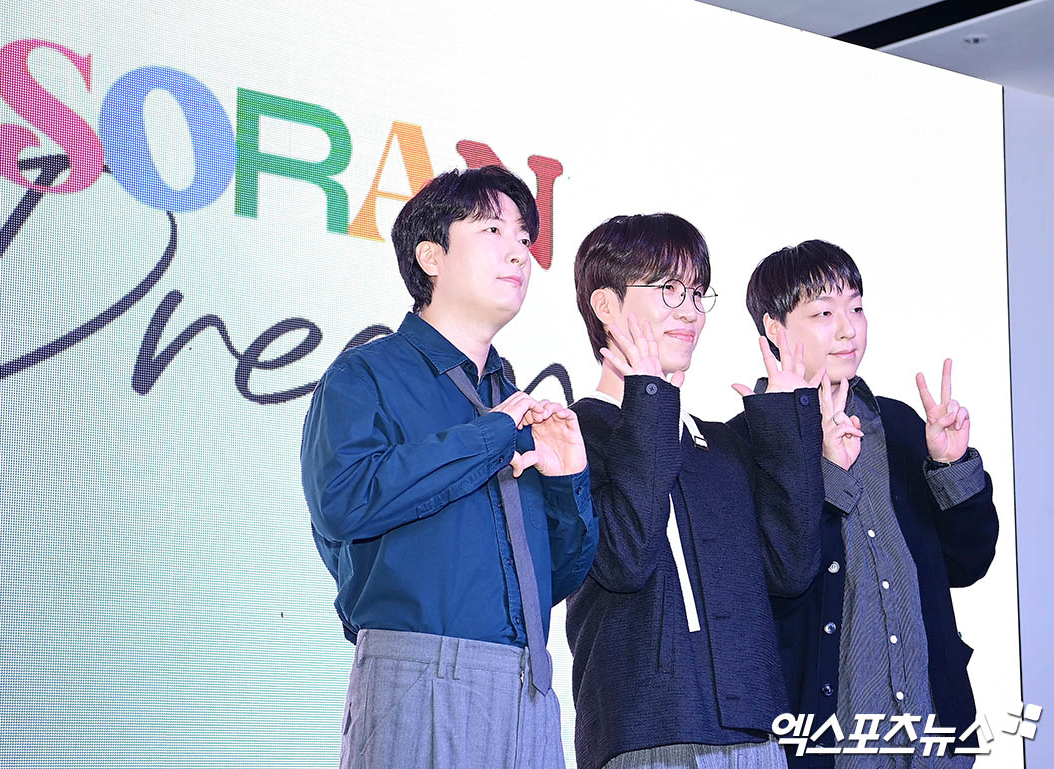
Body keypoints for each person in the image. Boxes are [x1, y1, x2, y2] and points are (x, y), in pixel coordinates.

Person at [299, 165, 598, 769]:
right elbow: (344, 501)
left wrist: (569, 484)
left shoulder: (513, 399)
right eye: (493, 230)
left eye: (524, 237)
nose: (519, 251)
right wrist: (490, 436)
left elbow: (554, 580)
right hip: (418, 674)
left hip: (530, 688)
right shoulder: (365, 374)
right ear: (430, 256)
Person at [565, 213, 824, 769]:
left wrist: (788, 423)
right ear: (605, 305)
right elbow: (626, 558)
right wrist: (649, 395)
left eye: (698, 292)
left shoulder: (720, 442)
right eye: (669, 289)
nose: (690, 310)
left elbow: (791, 569)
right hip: (649, 734)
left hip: (758, 732)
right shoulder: (571, 432)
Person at [730, 239, 999, 767]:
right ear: (774, 330)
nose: (848, 329)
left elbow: (968, 563)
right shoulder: (746, 444)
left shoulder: (899, 426)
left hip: (935, 740)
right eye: (824, 314)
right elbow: (777, 584)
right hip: (828, 747)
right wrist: (823, 471)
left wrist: (951, 465)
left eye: (855, 308)